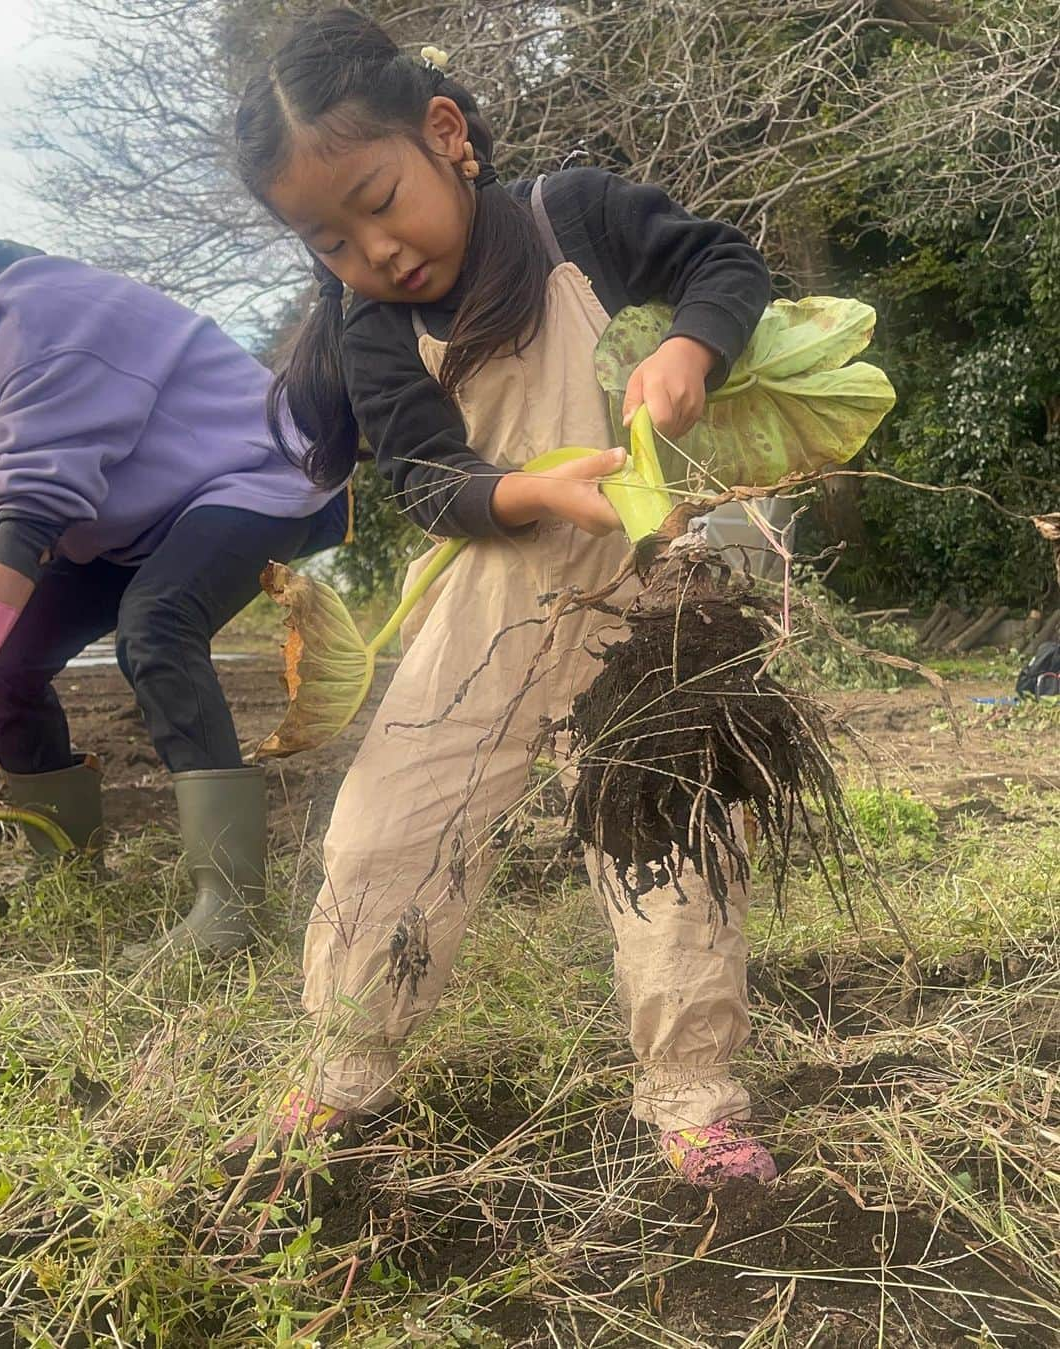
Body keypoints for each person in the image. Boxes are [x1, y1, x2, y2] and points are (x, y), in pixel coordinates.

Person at [234, 7, 775, 1186]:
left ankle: (694, 1097)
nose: (370, 253)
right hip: (492, 598)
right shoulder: (374, 330)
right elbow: (429, 476)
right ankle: (339, 1068)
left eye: (378, 201)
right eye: (327, 241)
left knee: (669, 841)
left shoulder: (569, 213)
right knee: (386, 829)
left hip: (649, 589)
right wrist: (521, 491)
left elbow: (721, 261)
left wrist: (691, 349)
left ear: (445, 136)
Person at [0, 240, 351, 959]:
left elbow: (28, 515)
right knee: (6, 665)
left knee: (156, 623)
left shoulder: (39, 309)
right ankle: (67, 871)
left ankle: (232, 907)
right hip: (124, 525)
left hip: (249, 473)